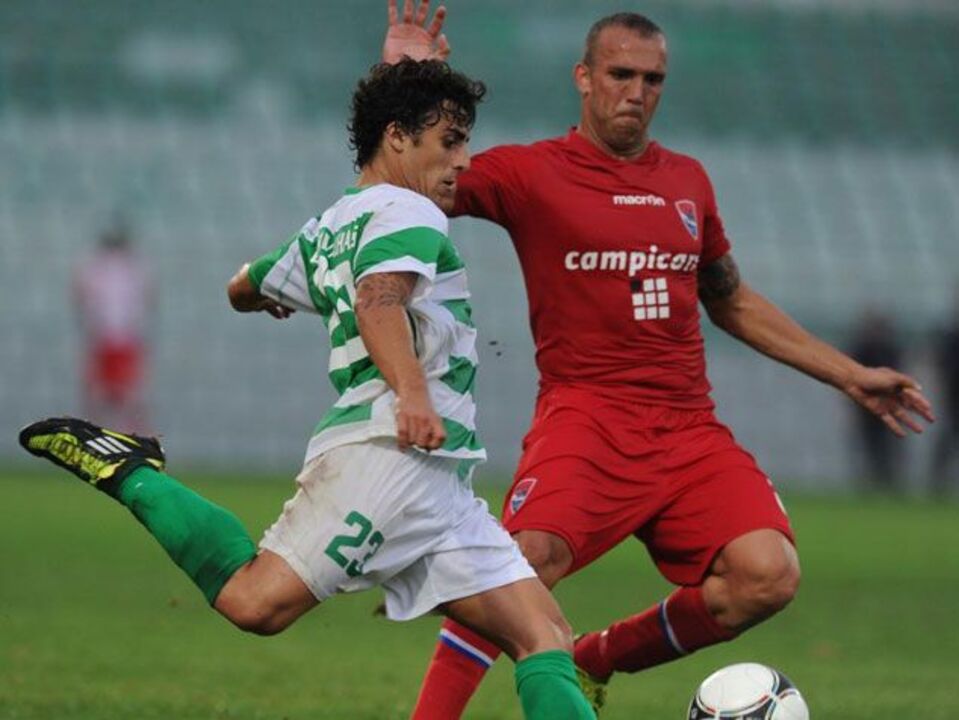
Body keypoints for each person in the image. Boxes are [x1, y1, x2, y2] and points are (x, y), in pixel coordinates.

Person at [379, 3, 936, 717]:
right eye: (619, 74)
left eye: (651, 78)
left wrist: (849, 374)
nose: (635, 91)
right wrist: (403, 74)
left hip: (684, 428)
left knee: (767, 574)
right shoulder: (530, 173)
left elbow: (727, 298)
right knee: (515, 568)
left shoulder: (687, 182)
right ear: (583, 77)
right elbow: (405, 181)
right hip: (587, 416)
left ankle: (592, 659)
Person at [19, 59, 596, 720]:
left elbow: (245, 284)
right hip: (386, 453)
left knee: (542, 635)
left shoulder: (330, 225)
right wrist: (411, 393)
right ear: (398, 138)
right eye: (450, 140)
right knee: (254, 602)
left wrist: (261, 294)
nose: (464, 159)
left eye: (465, 140)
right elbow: (380, 300)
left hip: (436, 481)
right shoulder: (410, 212)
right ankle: (130, 470)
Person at [73, 224, 154, 433]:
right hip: (121, 338)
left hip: (109, 338)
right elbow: (149, 296)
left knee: (104, 396)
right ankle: (130, 439)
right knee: (123, 397)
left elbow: (79, 294)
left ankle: (95, 438)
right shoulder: (134, 267)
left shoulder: (95, 266)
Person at [848, 310, 906, 492]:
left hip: (889, 405)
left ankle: (889, 482)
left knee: (889, 445)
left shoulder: (890, 348)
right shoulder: (862, 347)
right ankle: (871, 481)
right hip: (866, 407)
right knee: (870, 445)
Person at [931, 294, 959, 496]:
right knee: (946, 445)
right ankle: (936, 486)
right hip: (954, 400)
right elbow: (944, 366)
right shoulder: (951, 335)